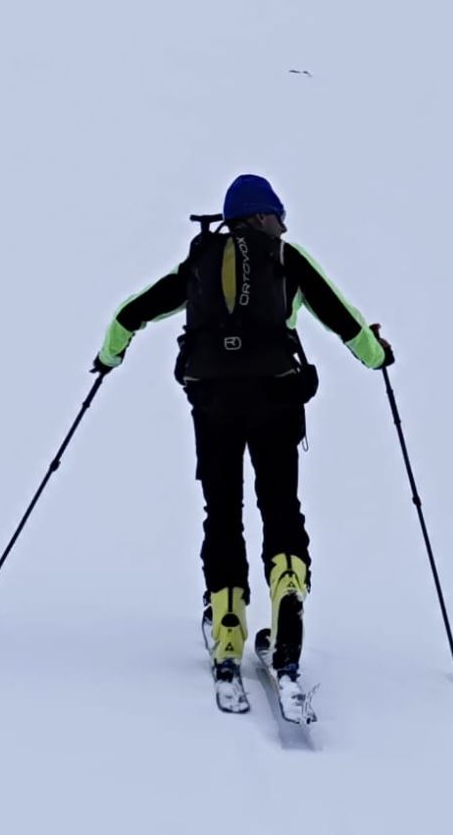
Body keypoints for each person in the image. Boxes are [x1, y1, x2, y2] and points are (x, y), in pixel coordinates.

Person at [91, 174, 394, 715]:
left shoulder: (199, 263)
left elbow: (129, 314)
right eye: (279, 216)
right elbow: (343, 319)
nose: (284, 226)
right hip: (276, 400)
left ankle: (227, 629)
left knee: (223, 512)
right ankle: (287, 614)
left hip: (213, 403)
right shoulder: (287, 260)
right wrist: (378, 356)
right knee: (281, 508)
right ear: (260, 216)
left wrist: (108, 358)